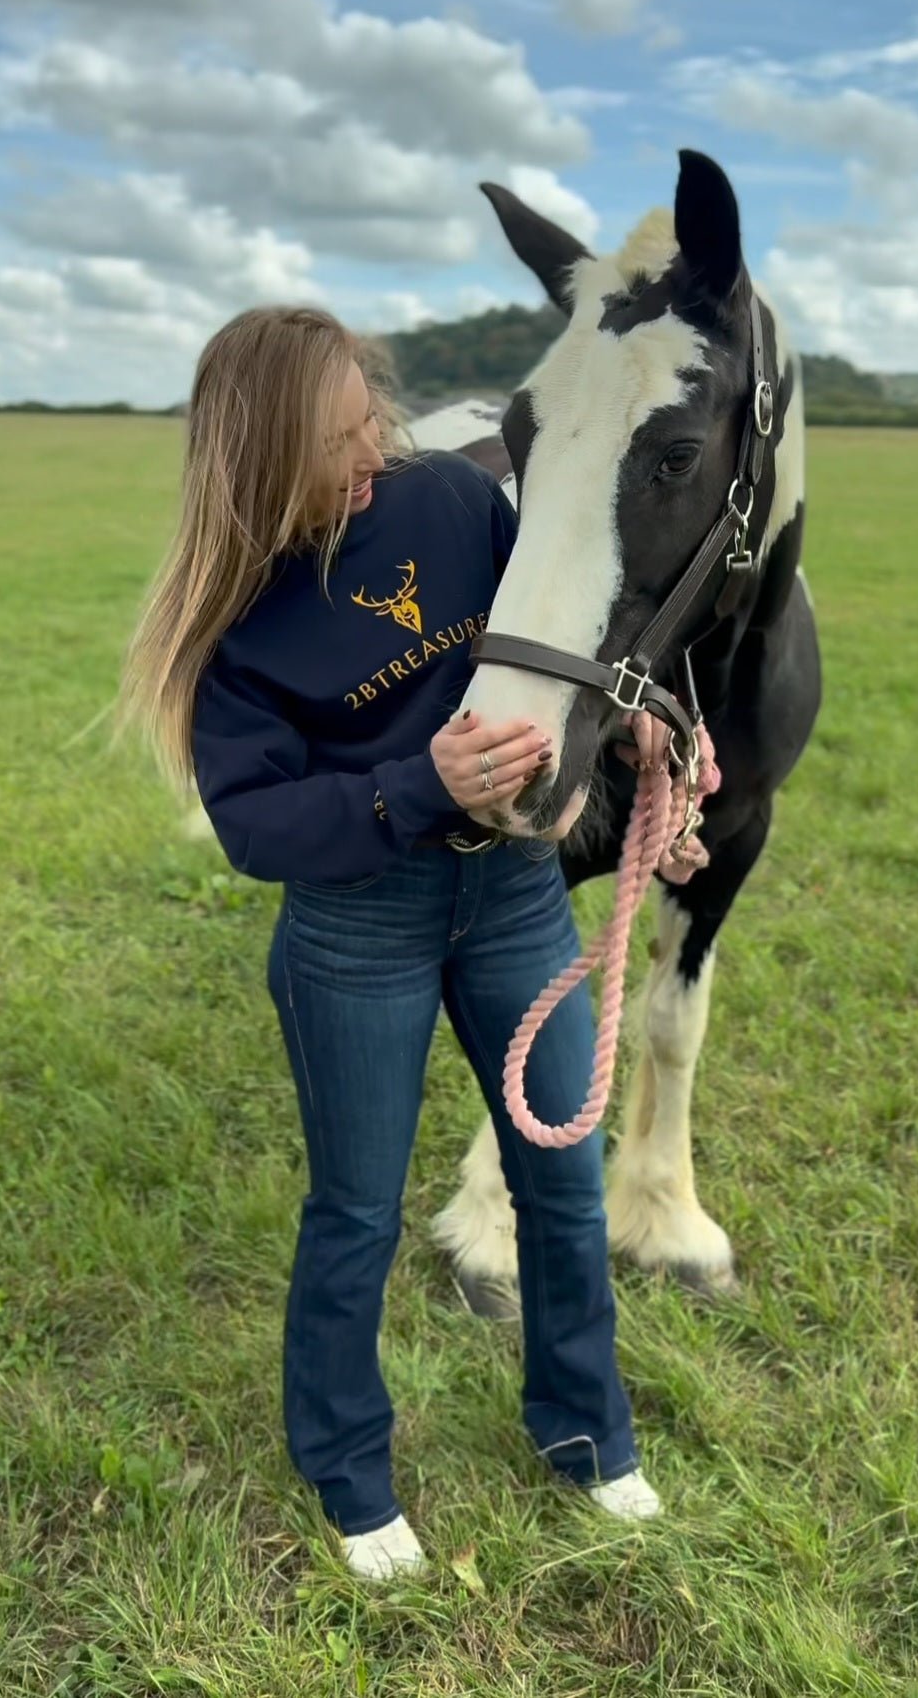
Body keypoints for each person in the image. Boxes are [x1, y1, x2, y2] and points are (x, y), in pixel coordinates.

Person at [119, 305, 663, 1581]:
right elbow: (258, 825)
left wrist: (640, 727)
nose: (374, 454)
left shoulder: (452, 506)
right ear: (258, 457)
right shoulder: (235, 615)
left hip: (519, 900)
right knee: (357, 1213)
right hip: (358, 928)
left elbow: (572, 624)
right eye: (338, 443)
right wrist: (423, 783)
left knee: (564, 1192)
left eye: (373, 422)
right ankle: (352, 1473)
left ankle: (588, 1434)